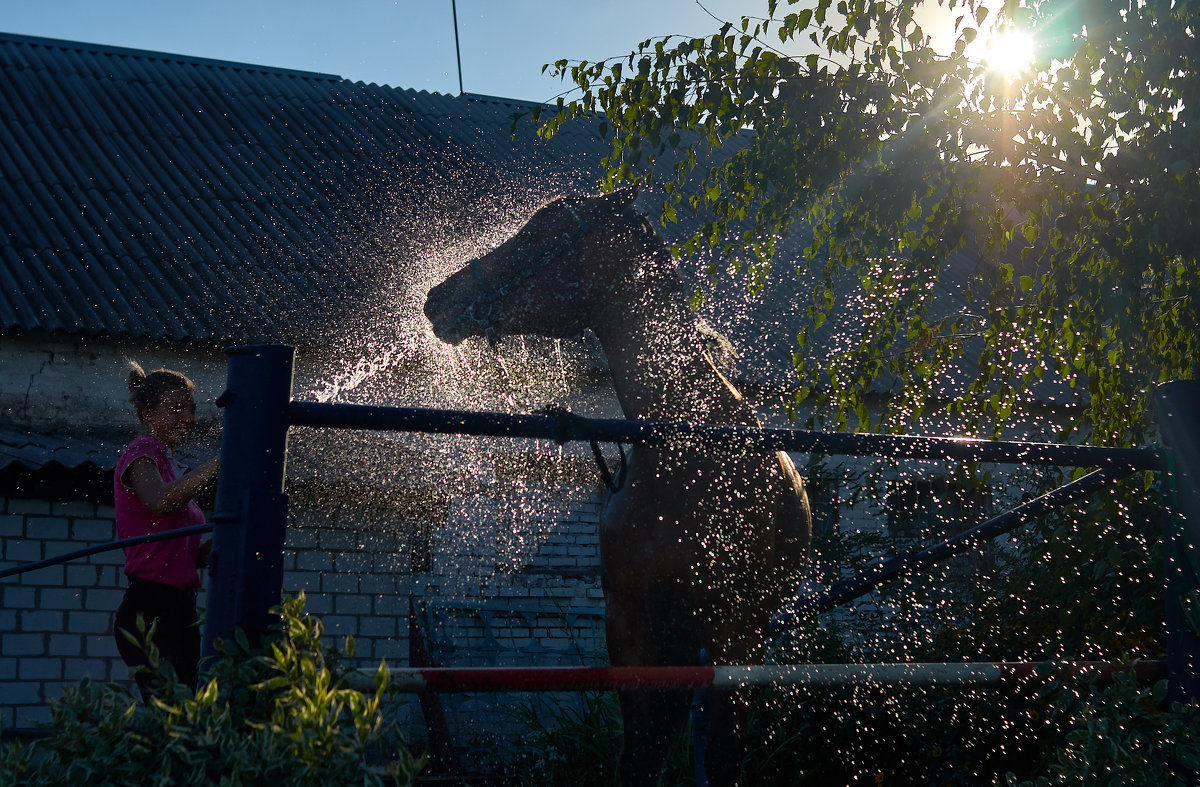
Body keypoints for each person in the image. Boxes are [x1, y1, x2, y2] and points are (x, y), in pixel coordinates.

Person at [113, 361, 219, 698]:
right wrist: (219, 464)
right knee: (174, 718)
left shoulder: (170, 465)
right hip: (151, 608)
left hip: (179, 608)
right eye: (175, 409)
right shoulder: (140, 452)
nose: (187, 419)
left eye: (190, 410)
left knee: (186, 717)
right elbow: (158, 502)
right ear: (147, 413)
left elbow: (178, 552)